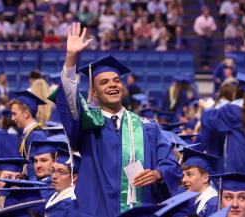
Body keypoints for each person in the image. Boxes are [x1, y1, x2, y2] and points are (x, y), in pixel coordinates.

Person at [49, 22, 182, 216]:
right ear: (93, 92)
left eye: (116, 80)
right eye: (104, 82)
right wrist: (71, 59)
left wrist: (158, 174)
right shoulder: (88, 125)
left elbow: (170, 163)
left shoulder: (147, 128)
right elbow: (69, 105)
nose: (112, 85)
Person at [200, 73, 245, 174]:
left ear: (237, 91)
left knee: (236, 186)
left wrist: (205, 107)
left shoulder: (232, 110)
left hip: (237, 156)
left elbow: (211, 118)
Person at [9, 90, 47, 179]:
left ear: (26, 114)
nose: (12, 118)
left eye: (14, 114)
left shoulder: (37, 136)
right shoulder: (27, 134)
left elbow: (37, 168)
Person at [181, 148, 220, 216]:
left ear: (205, 178)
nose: (183, 180)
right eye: (183, 175)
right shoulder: (197, 200)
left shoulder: (213, 204)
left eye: (189, 174)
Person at [45, 148, 81, 217]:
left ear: (74, 177)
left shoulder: (70, 204)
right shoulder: (57, 195)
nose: (54, 176)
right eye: (53, 171)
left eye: (61, 172)